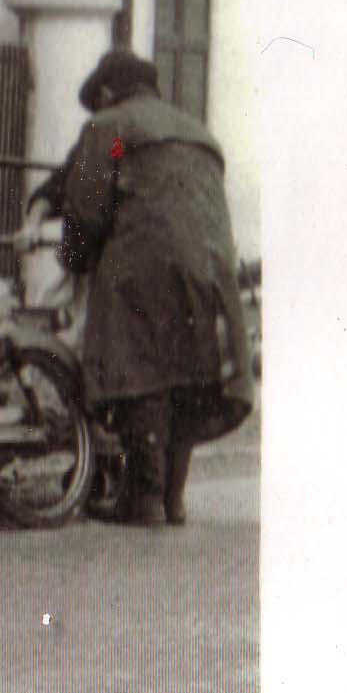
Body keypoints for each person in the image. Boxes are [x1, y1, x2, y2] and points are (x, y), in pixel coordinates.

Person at [51, 47, 252, 528]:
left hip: (146, 266)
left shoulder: (114, 130)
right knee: (187, 372)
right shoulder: (196, 132)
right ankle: (172, 498)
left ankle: (142, 500)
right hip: (211, 265)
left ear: (105, 91)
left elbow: (88, 207)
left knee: (143, 373)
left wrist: (73, 262)